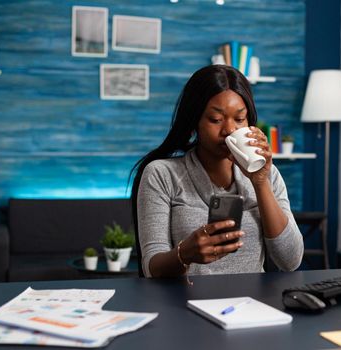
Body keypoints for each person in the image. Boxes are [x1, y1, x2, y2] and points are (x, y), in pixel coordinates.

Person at [130, 65, 303, 278]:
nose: (230, 130)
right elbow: (151, 268)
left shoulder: (268, 175)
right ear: (194, 123)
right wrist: (184, 254)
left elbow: (290, 261)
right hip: (184, 305)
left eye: (240, 119)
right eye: (216, 119)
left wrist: (260, 183)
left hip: (251, 305)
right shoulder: (162, 174)